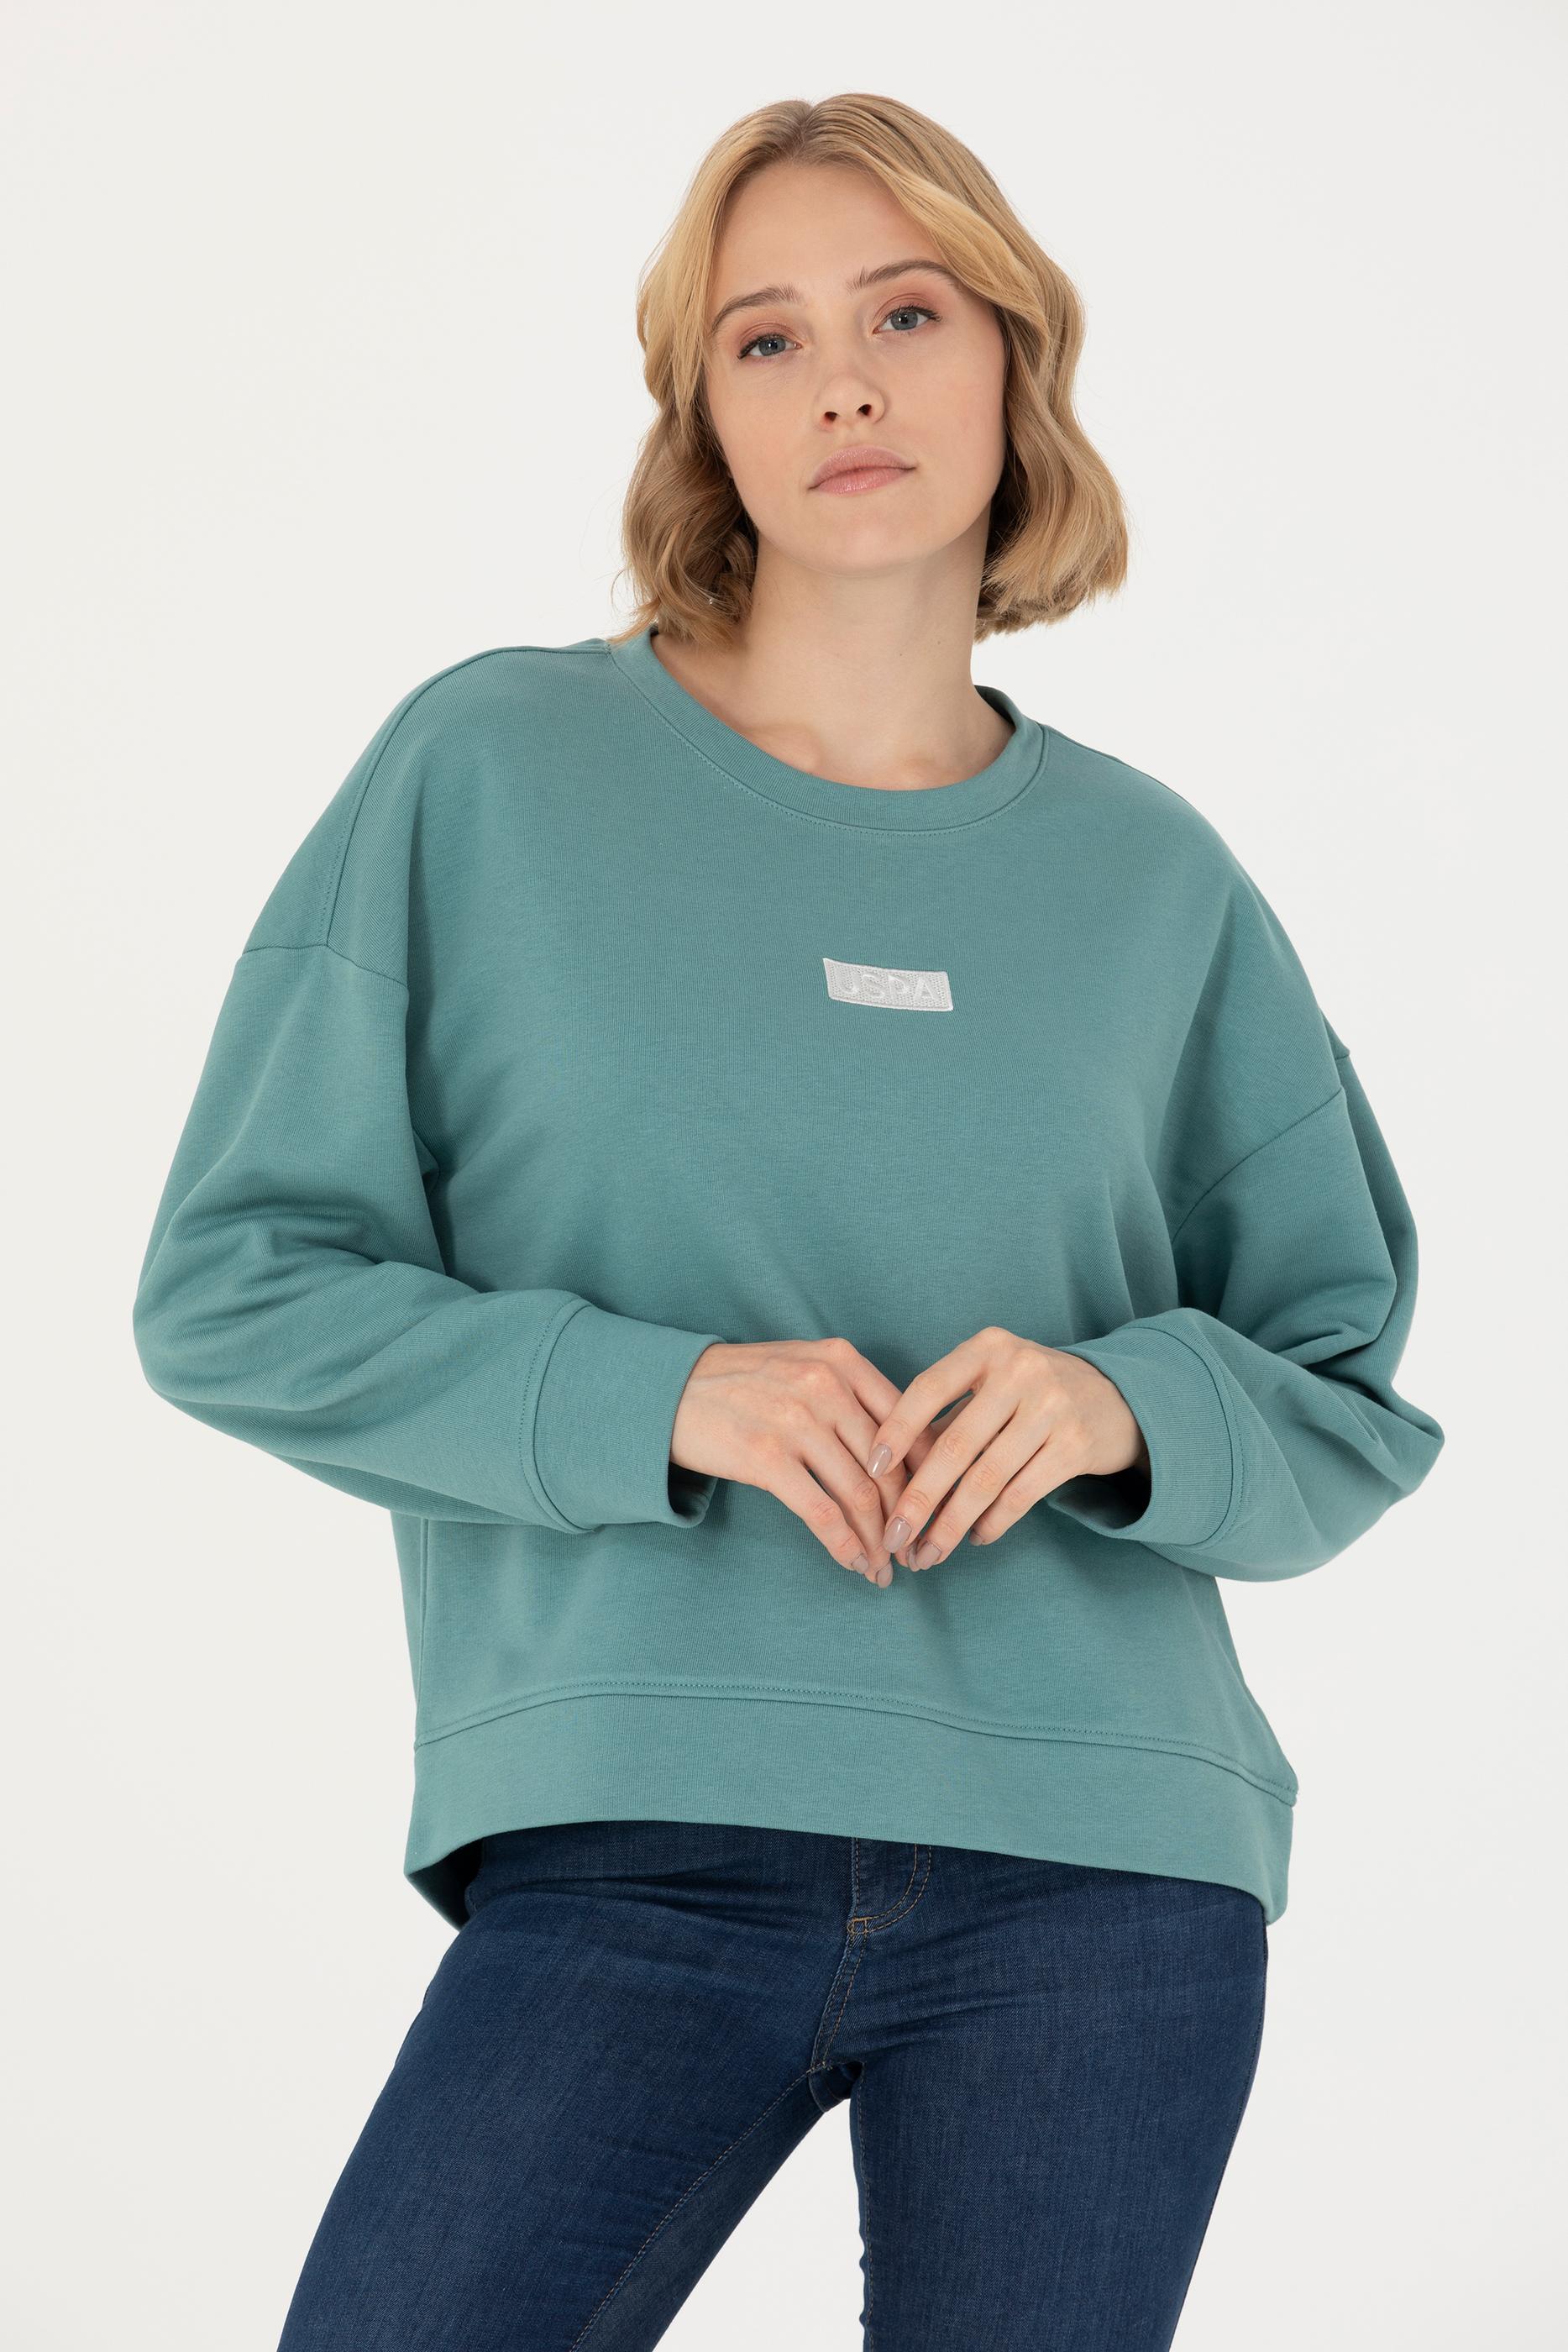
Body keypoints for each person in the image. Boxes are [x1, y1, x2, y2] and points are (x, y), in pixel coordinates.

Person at [132, 91, 1445, 2352]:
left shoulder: (1152, 880)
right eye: (767, 338)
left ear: (1014, 361)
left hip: (1106, 1868)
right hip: (630, 1833)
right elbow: (233, 1292)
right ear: (704, 417)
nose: (843, 382)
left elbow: (1340, 1388)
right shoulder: (490, 772)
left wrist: (1118, 1408)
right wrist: (662, 1398)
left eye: (906, 314)